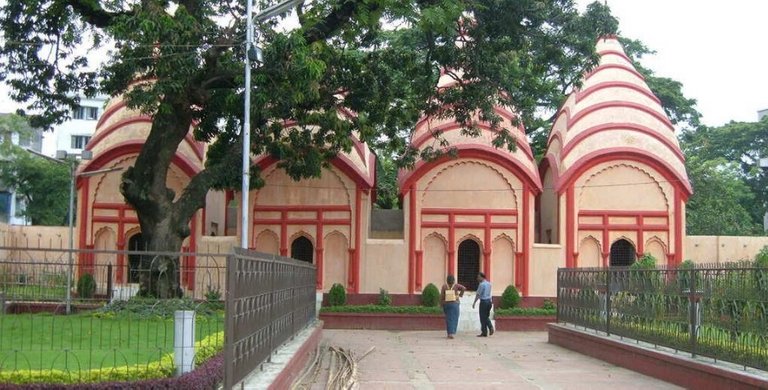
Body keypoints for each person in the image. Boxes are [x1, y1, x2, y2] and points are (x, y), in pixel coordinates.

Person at [441, 275, 466, 339]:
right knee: (455, 318)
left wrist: (442, 304)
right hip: (455, 304)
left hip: (447, 304)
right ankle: (452, 332)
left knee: (448, 318)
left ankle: (449, 333)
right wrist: (460, 295)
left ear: (447, 280)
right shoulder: (456, 286)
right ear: (454, 280)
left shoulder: (444, 286)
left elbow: (442, 296)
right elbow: (464, 288)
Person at [472, 272, 494, 337]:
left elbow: (478, 294)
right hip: (489, 302)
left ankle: (487, 329)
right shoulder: (489, 284)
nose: (477, 278)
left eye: (478, 277)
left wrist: (474, 302)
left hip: (484, 302)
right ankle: (486, 330)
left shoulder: (481, 285)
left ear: (482, 277)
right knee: (485, 316)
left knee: (482, 317)